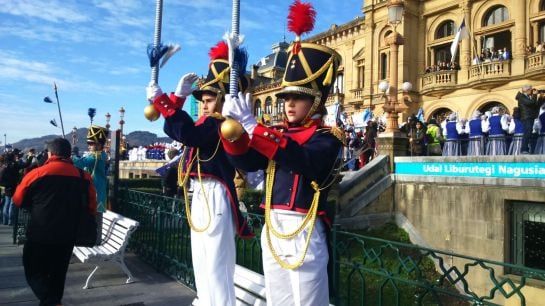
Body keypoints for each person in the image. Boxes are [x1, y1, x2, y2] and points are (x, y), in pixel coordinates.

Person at [220, 2, 343, 304]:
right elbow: (248, 161)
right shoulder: (277, 136)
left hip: (304, 230)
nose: (289, 103)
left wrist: (253, 125)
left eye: (298, 97)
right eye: (287, 96)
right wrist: (233, 131)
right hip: (273, 225)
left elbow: (301, 159)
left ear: (315, 101)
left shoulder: (327, 139)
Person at [147, 40, 254, 306]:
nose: (204, 105)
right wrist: (174, 100)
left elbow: (187, 133)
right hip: (200, 194)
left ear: (221, 101)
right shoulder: (207, 123)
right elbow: (179, 130)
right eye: (203, 100)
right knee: (202, 259)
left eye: (209, 99)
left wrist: (166, 100)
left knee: (216, 264)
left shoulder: (220, 125)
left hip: (215, 195)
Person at [12, 138, 97, 306]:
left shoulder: (36, 174)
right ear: (68, 154)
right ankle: (53, 301)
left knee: (33, 270)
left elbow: (17, 200)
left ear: (50, 153)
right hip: (68, 235)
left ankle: (51, 302)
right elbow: (92, 207)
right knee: (58, 273)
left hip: (39, 234)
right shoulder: (83, 176)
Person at [73, 125, 108, 244]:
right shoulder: (94, 155)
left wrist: (70, 156)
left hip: (97, 193)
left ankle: (96, 243)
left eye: (92, 143)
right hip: (93, 192)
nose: (89, 145)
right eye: (89, 143)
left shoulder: (97, 156)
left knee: (96, 221)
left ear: (99, 144)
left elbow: (79, 163)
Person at [515, 85, 540, 153]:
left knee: (529, 133)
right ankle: (524, 149)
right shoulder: (521, 97)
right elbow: (531, 103)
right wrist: (535, 95)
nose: (532, 91)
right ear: (527, 90)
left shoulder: (527, 97)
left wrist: (540, 97)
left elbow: (535, 105)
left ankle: (526, 149)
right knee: (527, 132)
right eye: (531, 90)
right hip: (526, 117)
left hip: (529, 117)